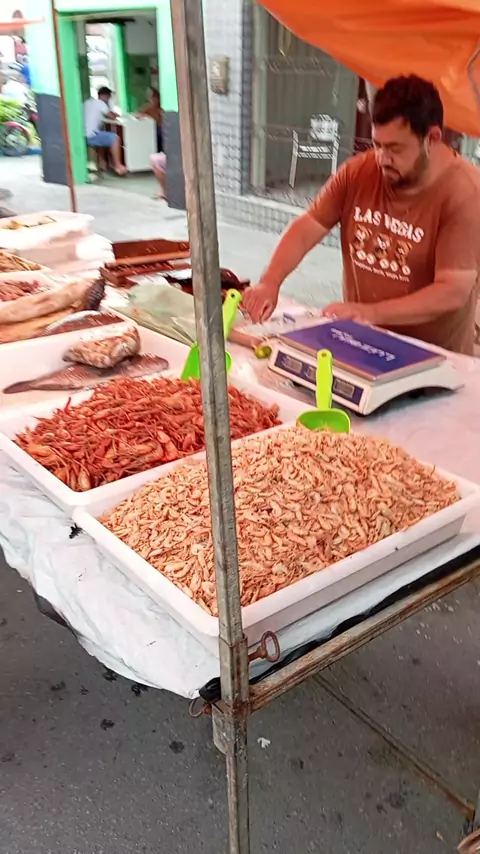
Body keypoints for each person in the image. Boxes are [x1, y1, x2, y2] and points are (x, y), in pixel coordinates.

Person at [243, 75, 480, 355]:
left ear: (433, 138)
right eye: (378, 145)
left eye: (395, 148)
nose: (382, 158)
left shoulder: (464, 193)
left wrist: (370, 313)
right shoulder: (358, 172)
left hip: (435, 358)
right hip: (361, 342)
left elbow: (452, 291)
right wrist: (270, 281)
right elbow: (308, 227)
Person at [83, 86, 127, 177]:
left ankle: (102, 164)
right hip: (91, 135)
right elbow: (111, 116)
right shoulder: (100, 103)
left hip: (83, 135)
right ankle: (118, 166)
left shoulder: (87, 102)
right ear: (105, 96)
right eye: (108, 98)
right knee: (115, 138)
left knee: (102, 136)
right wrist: (115, 113)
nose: (108, 100)